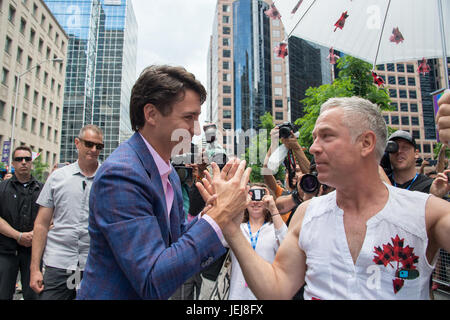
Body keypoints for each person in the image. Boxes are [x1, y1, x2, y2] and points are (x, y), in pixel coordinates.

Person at [199, 96, 450, 300]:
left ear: (366, 143)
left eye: (327, 136)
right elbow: (276, 289)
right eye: (315, 137)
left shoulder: (428, 213)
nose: (313, 147)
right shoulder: (307, 214)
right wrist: (231, 229)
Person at [76, 65, 251, 300]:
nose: (196, 130)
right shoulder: (122, 175)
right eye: (189, 117)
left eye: (197, 118)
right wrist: (216, 218)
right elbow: (152, 279)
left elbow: (174, 240)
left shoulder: (166, 172)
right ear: (151, 114)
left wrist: (209, 215)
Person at [29, 125, 104, 300]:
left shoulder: (107, 178)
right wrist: (34, 269)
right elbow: (41, 224)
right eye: (89, 144)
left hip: (92, 265)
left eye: (99, 146)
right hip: (58, 262)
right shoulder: (57, 177)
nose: (94, 150)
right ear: (77, 143)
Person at [228, 183, 287, 300]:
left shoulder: (274, 228)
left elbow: (287, 245)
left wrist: (273, 208)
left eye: (260, 197)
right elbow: (218, 238)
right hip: (237, 295)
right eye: (251, 197)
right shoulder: (236, 228)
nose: (255, 202)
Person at [0, 146, 42, 300]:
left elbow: (50, 220)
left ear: (31, 162)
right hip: (6, 253)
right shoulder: (2, 188)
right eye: (19, 159)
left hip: (33, 254)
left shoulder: (42, 189)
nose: (23, 162)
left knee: (34, 295)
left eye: (27, 159)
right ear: (13, 163)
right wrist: (18, 236)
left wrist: (34, 235)